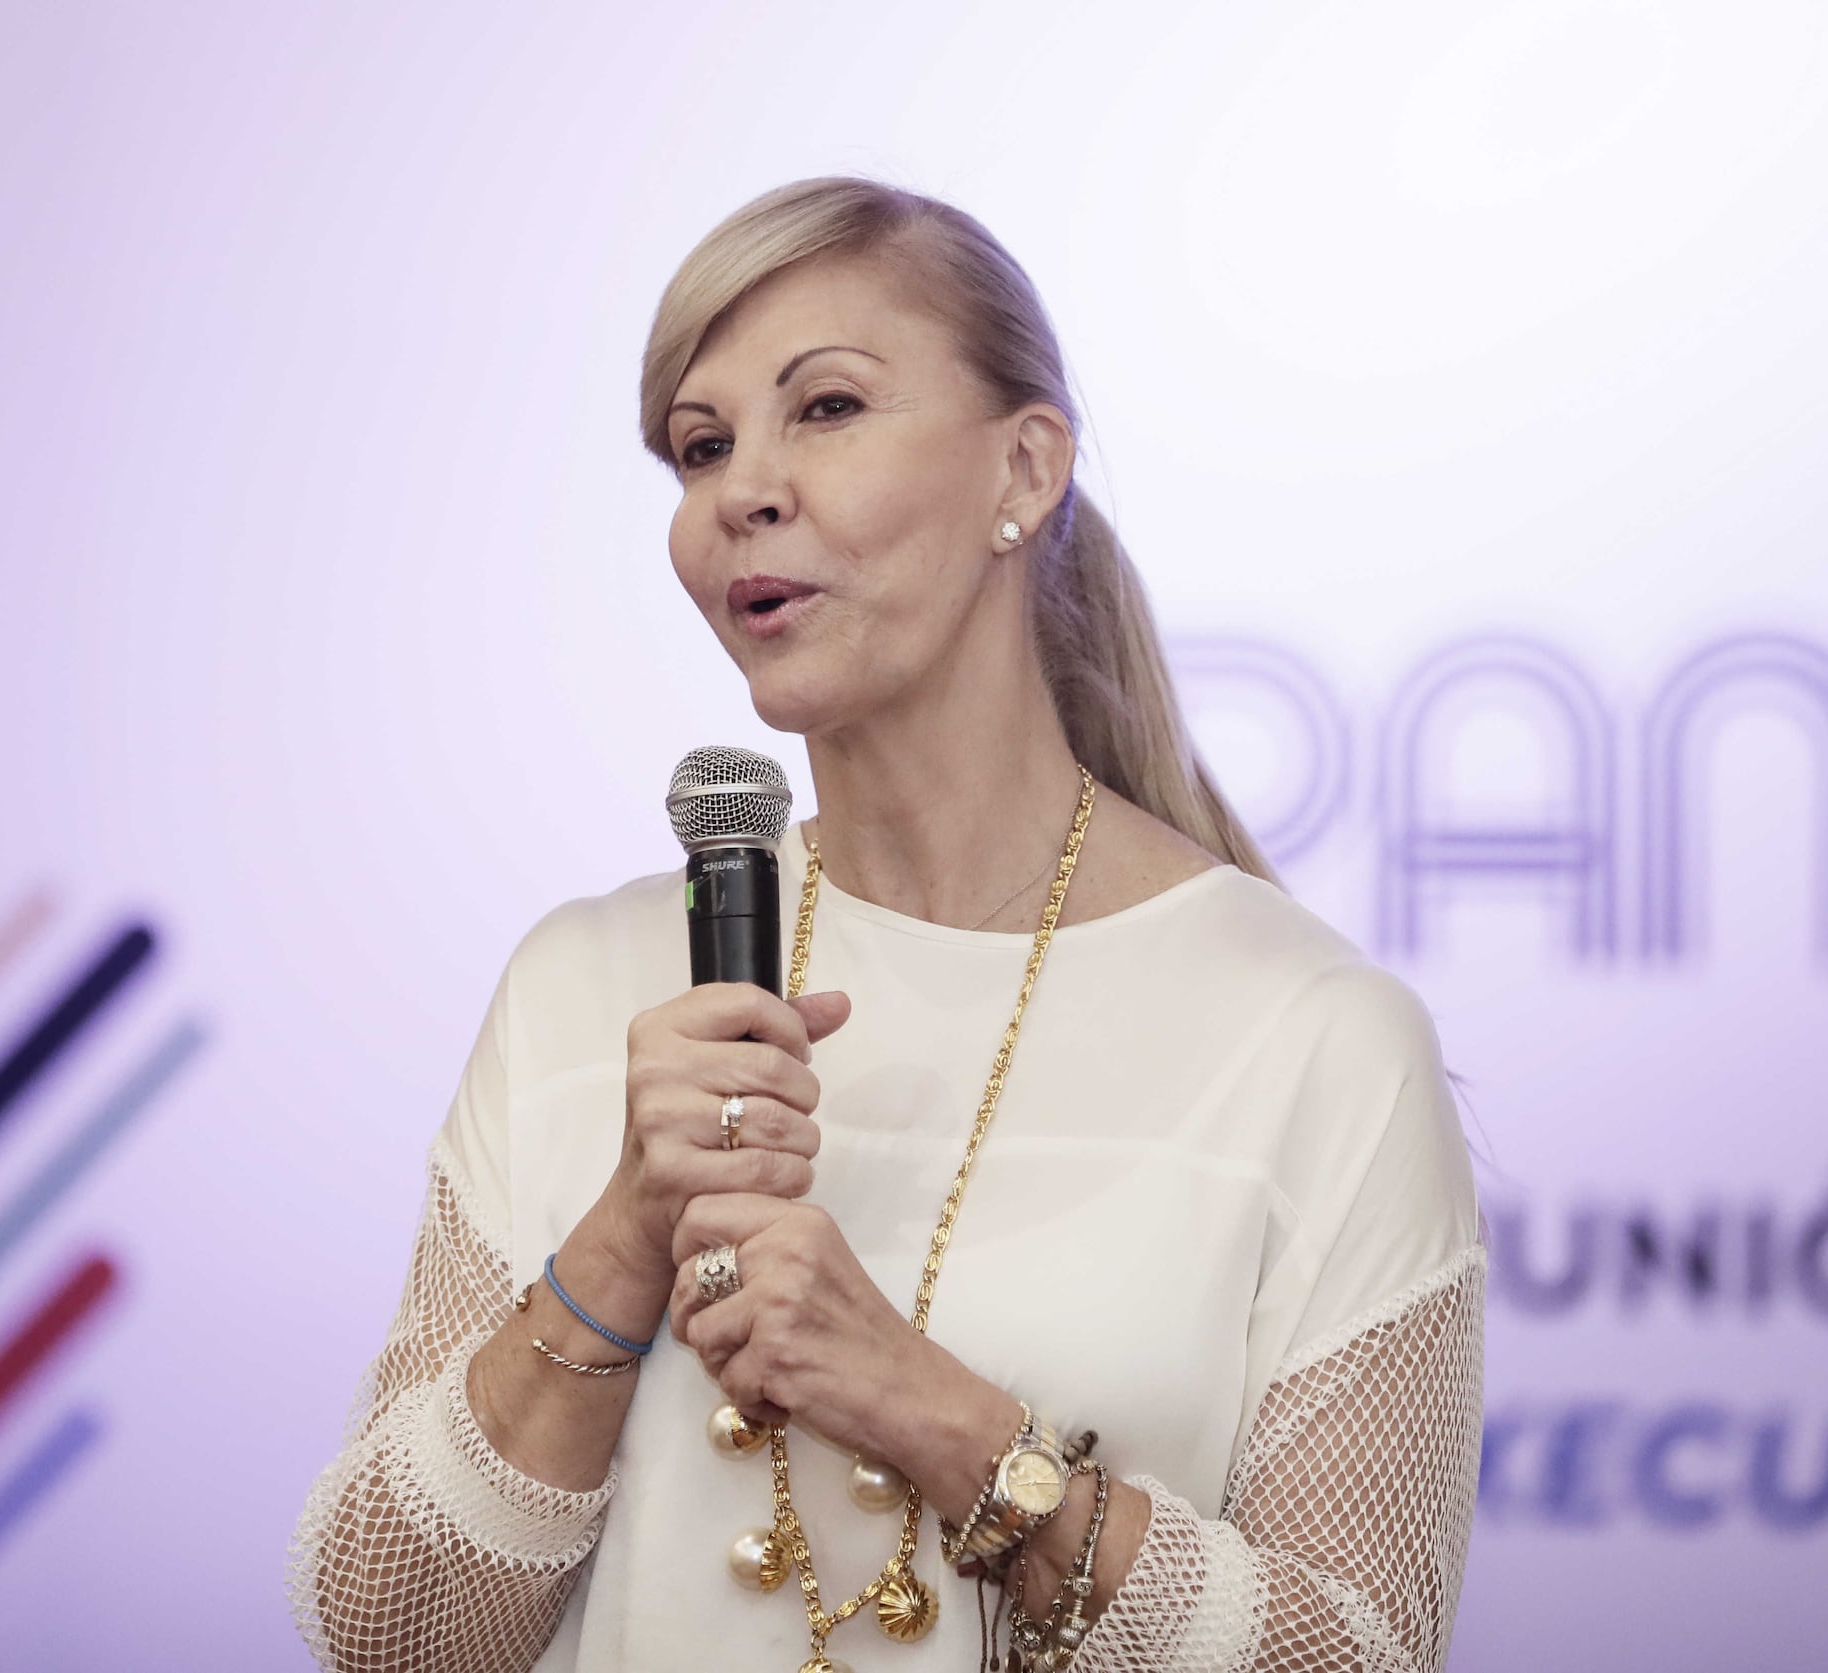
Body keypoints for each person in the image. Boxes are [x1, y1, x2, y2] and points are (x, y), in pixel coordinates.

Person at [287, 176, 1486, 1673]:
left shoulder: (1312, 1035)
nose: (741, 490)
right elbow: (387, 1634)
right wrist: (623, 1236)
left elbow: (1360, 1658)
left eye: (829, 408)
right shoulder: (583, 985)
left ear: (1026, 467)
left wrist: (934, 1412)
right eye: (701, 445)